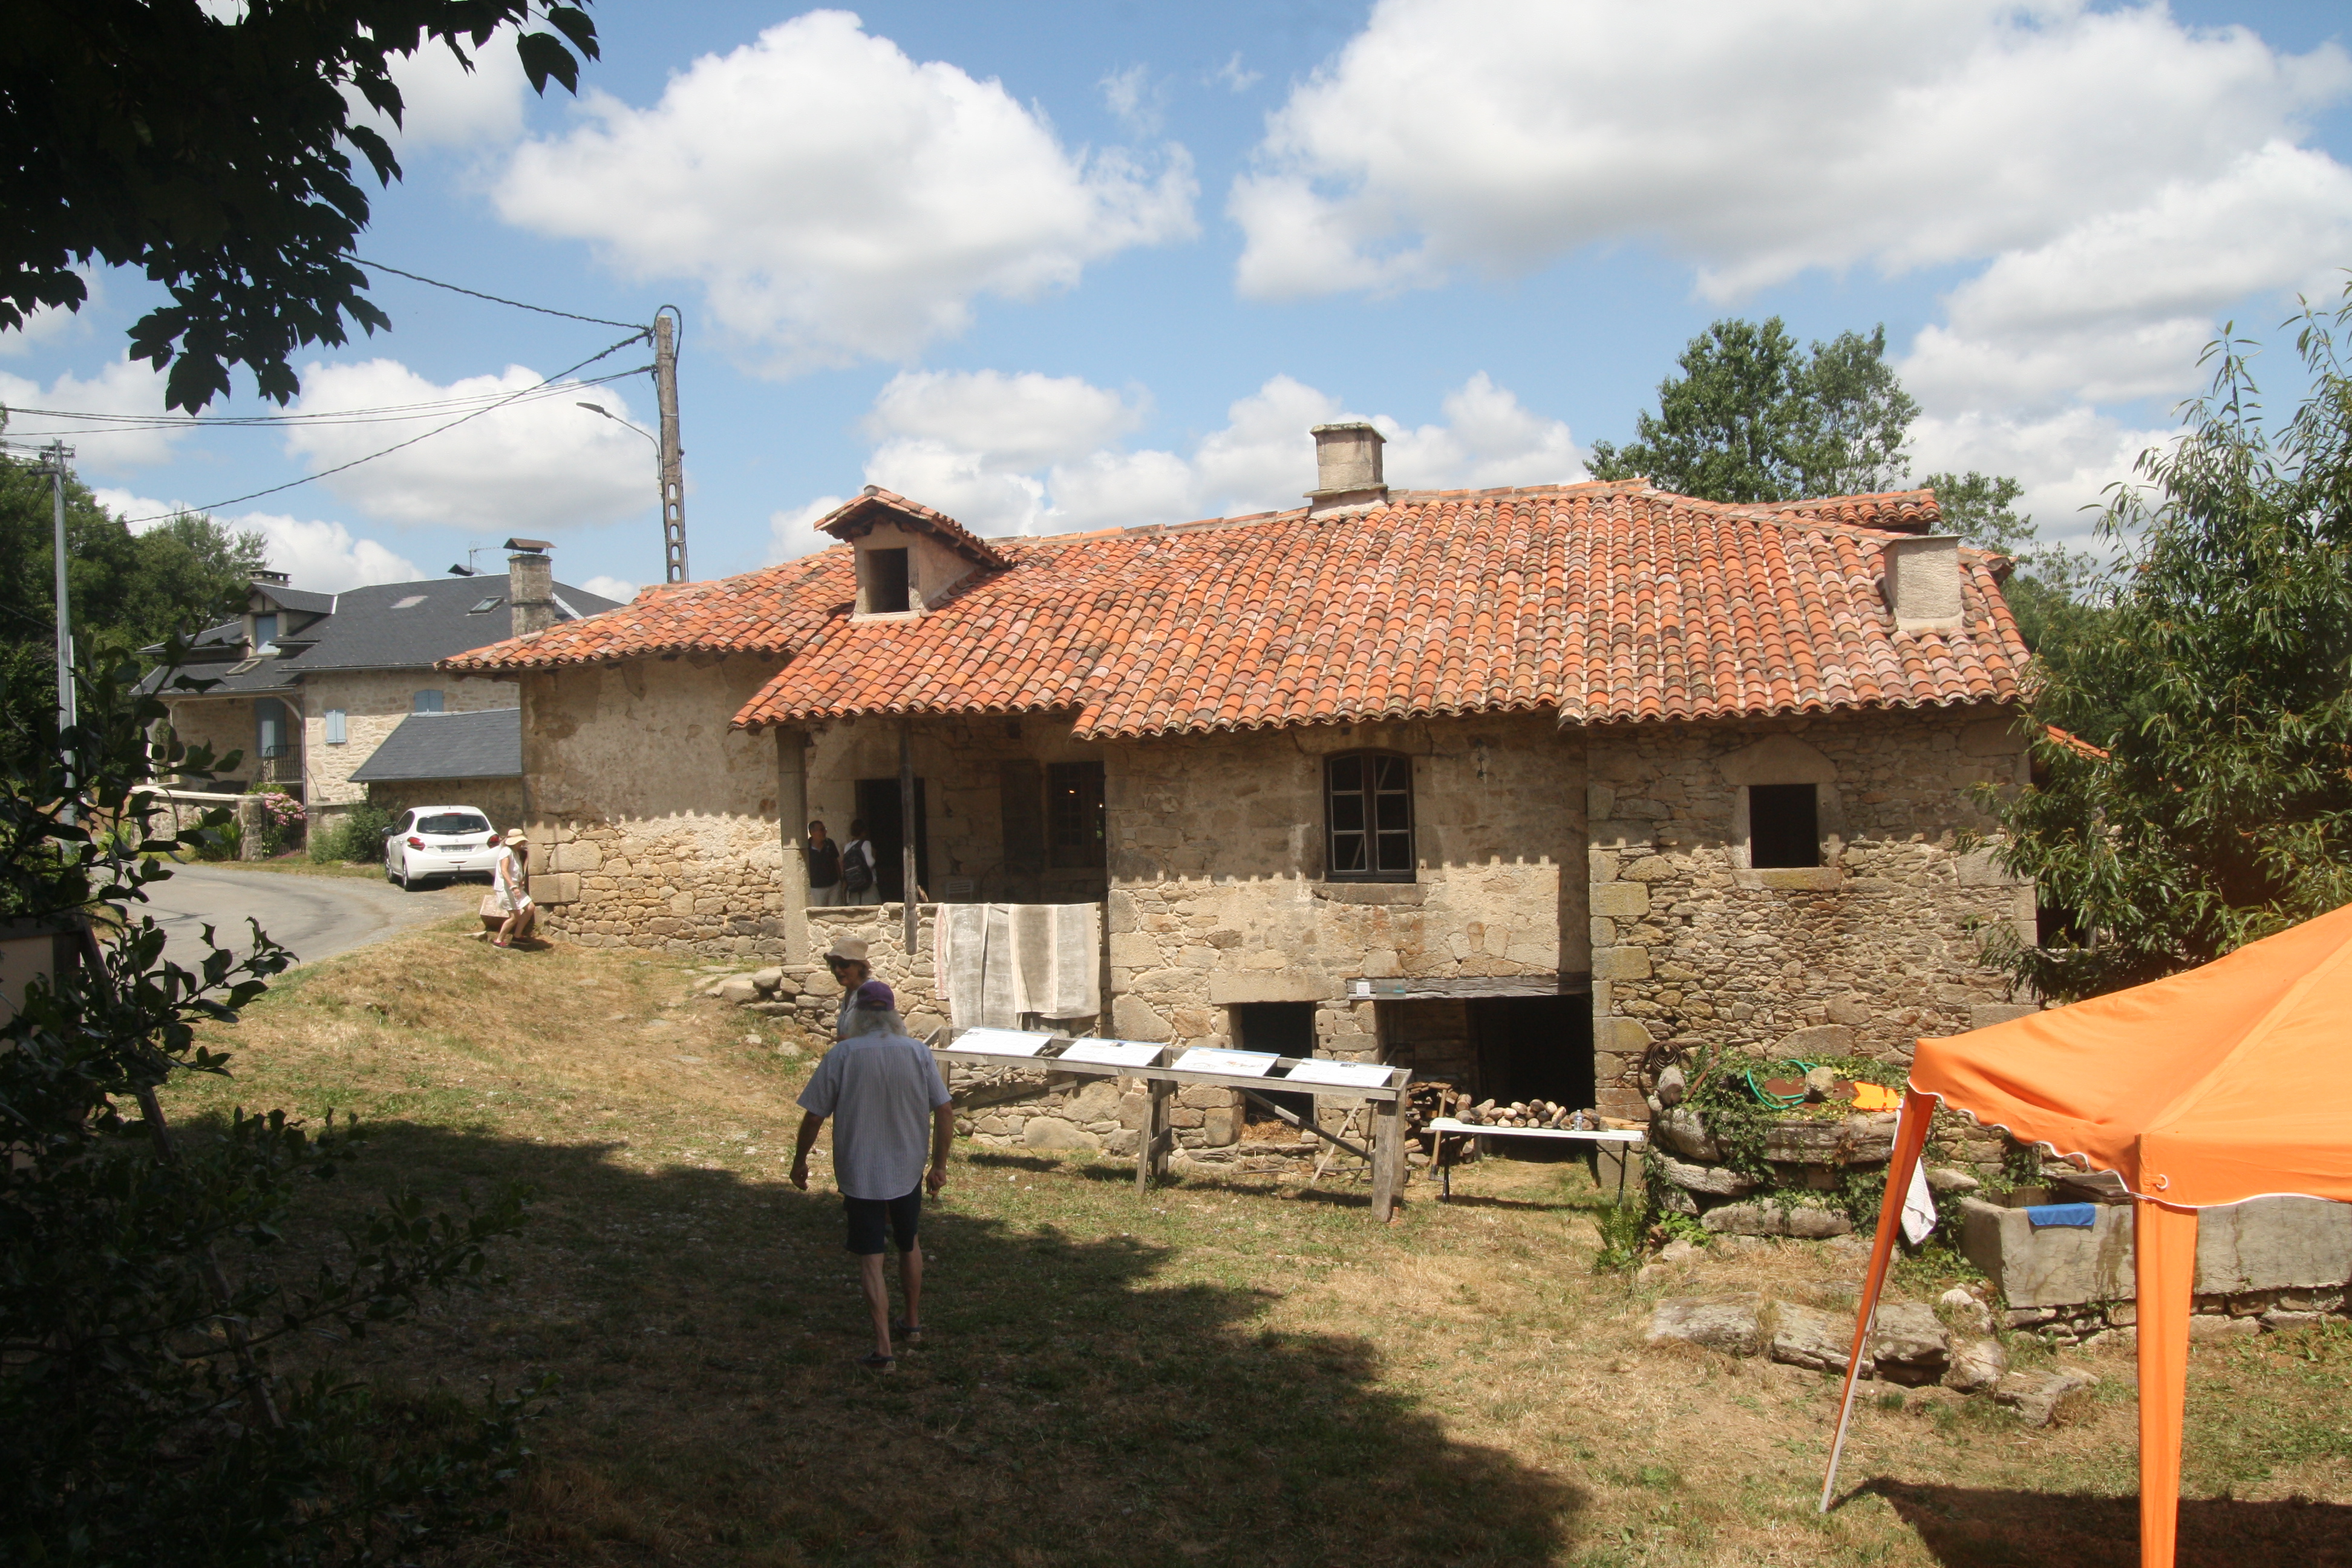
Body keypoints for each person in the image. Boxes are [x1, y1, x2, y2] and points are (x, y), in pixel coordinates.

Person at [790, 979, 953, 1371]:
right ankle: (911, 1322)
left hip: (861, 1170)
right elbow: (944, 1109)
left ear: (858, 1016)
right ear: (895, 1015)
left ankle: (883, 1349)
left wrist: (800, 1160)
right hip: (906, 1168)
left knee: (871, 1259)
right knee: (908, 1241)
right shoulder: (917, 1052)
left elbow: (815, 1114)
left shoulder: (844, 1054)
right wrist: (939, 1165)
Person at [491, 834, 535, 949]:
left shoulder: (515, 852)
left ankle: (517, 936)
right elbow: (504, 871)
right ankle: (499, 940)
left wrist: (519, 882)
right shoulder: (506, 852)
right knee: (515, 916)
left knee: (530, 907)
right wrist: (513, 887)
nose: (522, 844)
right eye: (520, 842)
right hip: (507, 888)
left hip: (516, 887)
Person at [840, 818, 878, 904]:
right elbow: (870, 863)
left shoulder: (847, 846)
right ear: (864, 831)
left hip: (853, 883)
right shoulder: (866, 844)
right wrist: (874, 855)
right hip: (866, 882)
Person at [806, 819, 844, 907]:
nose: (825, 832)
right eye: (822, 830)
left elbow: (836, 862)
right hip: (816, 889)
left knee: (836, 912)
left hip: (834, 886)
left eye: (825, 829)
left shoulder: (830, 844)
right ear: (813, 832)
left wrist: (840, 880)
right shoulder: (806, 848)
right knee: (819, 914)